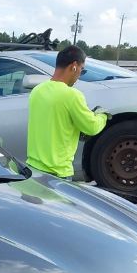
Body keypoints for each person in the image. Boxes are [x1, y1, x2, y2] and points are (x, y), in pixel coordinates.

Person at [26, 45, 110, 179]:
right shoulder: (72, 95)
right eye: (82, 70)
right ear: (74, 66)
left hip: (32, 169)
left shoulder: (37, 90)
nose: (79, 75)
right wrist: (103, 115)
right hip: (57, 173)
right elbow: (91, 127)